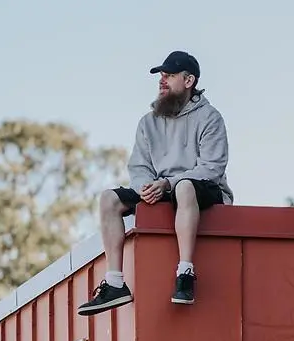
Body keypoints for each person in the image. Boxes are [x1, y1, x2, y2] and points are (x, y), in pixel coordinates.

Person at [77, 50, 234, 316]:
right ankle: (115, 283)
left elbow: (212, 168)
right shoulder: (148, 122)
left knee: (184, 187)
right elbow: (139, 167)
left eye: (170, 76)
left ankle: (185, 274)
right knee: (108, 199)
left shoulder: (210, 118)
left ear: (189, 81)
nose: (162, 81)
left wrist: (169, 184)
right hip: (161, 188)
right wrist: (145, 188)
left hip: (203, 188)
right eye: (161, 76)